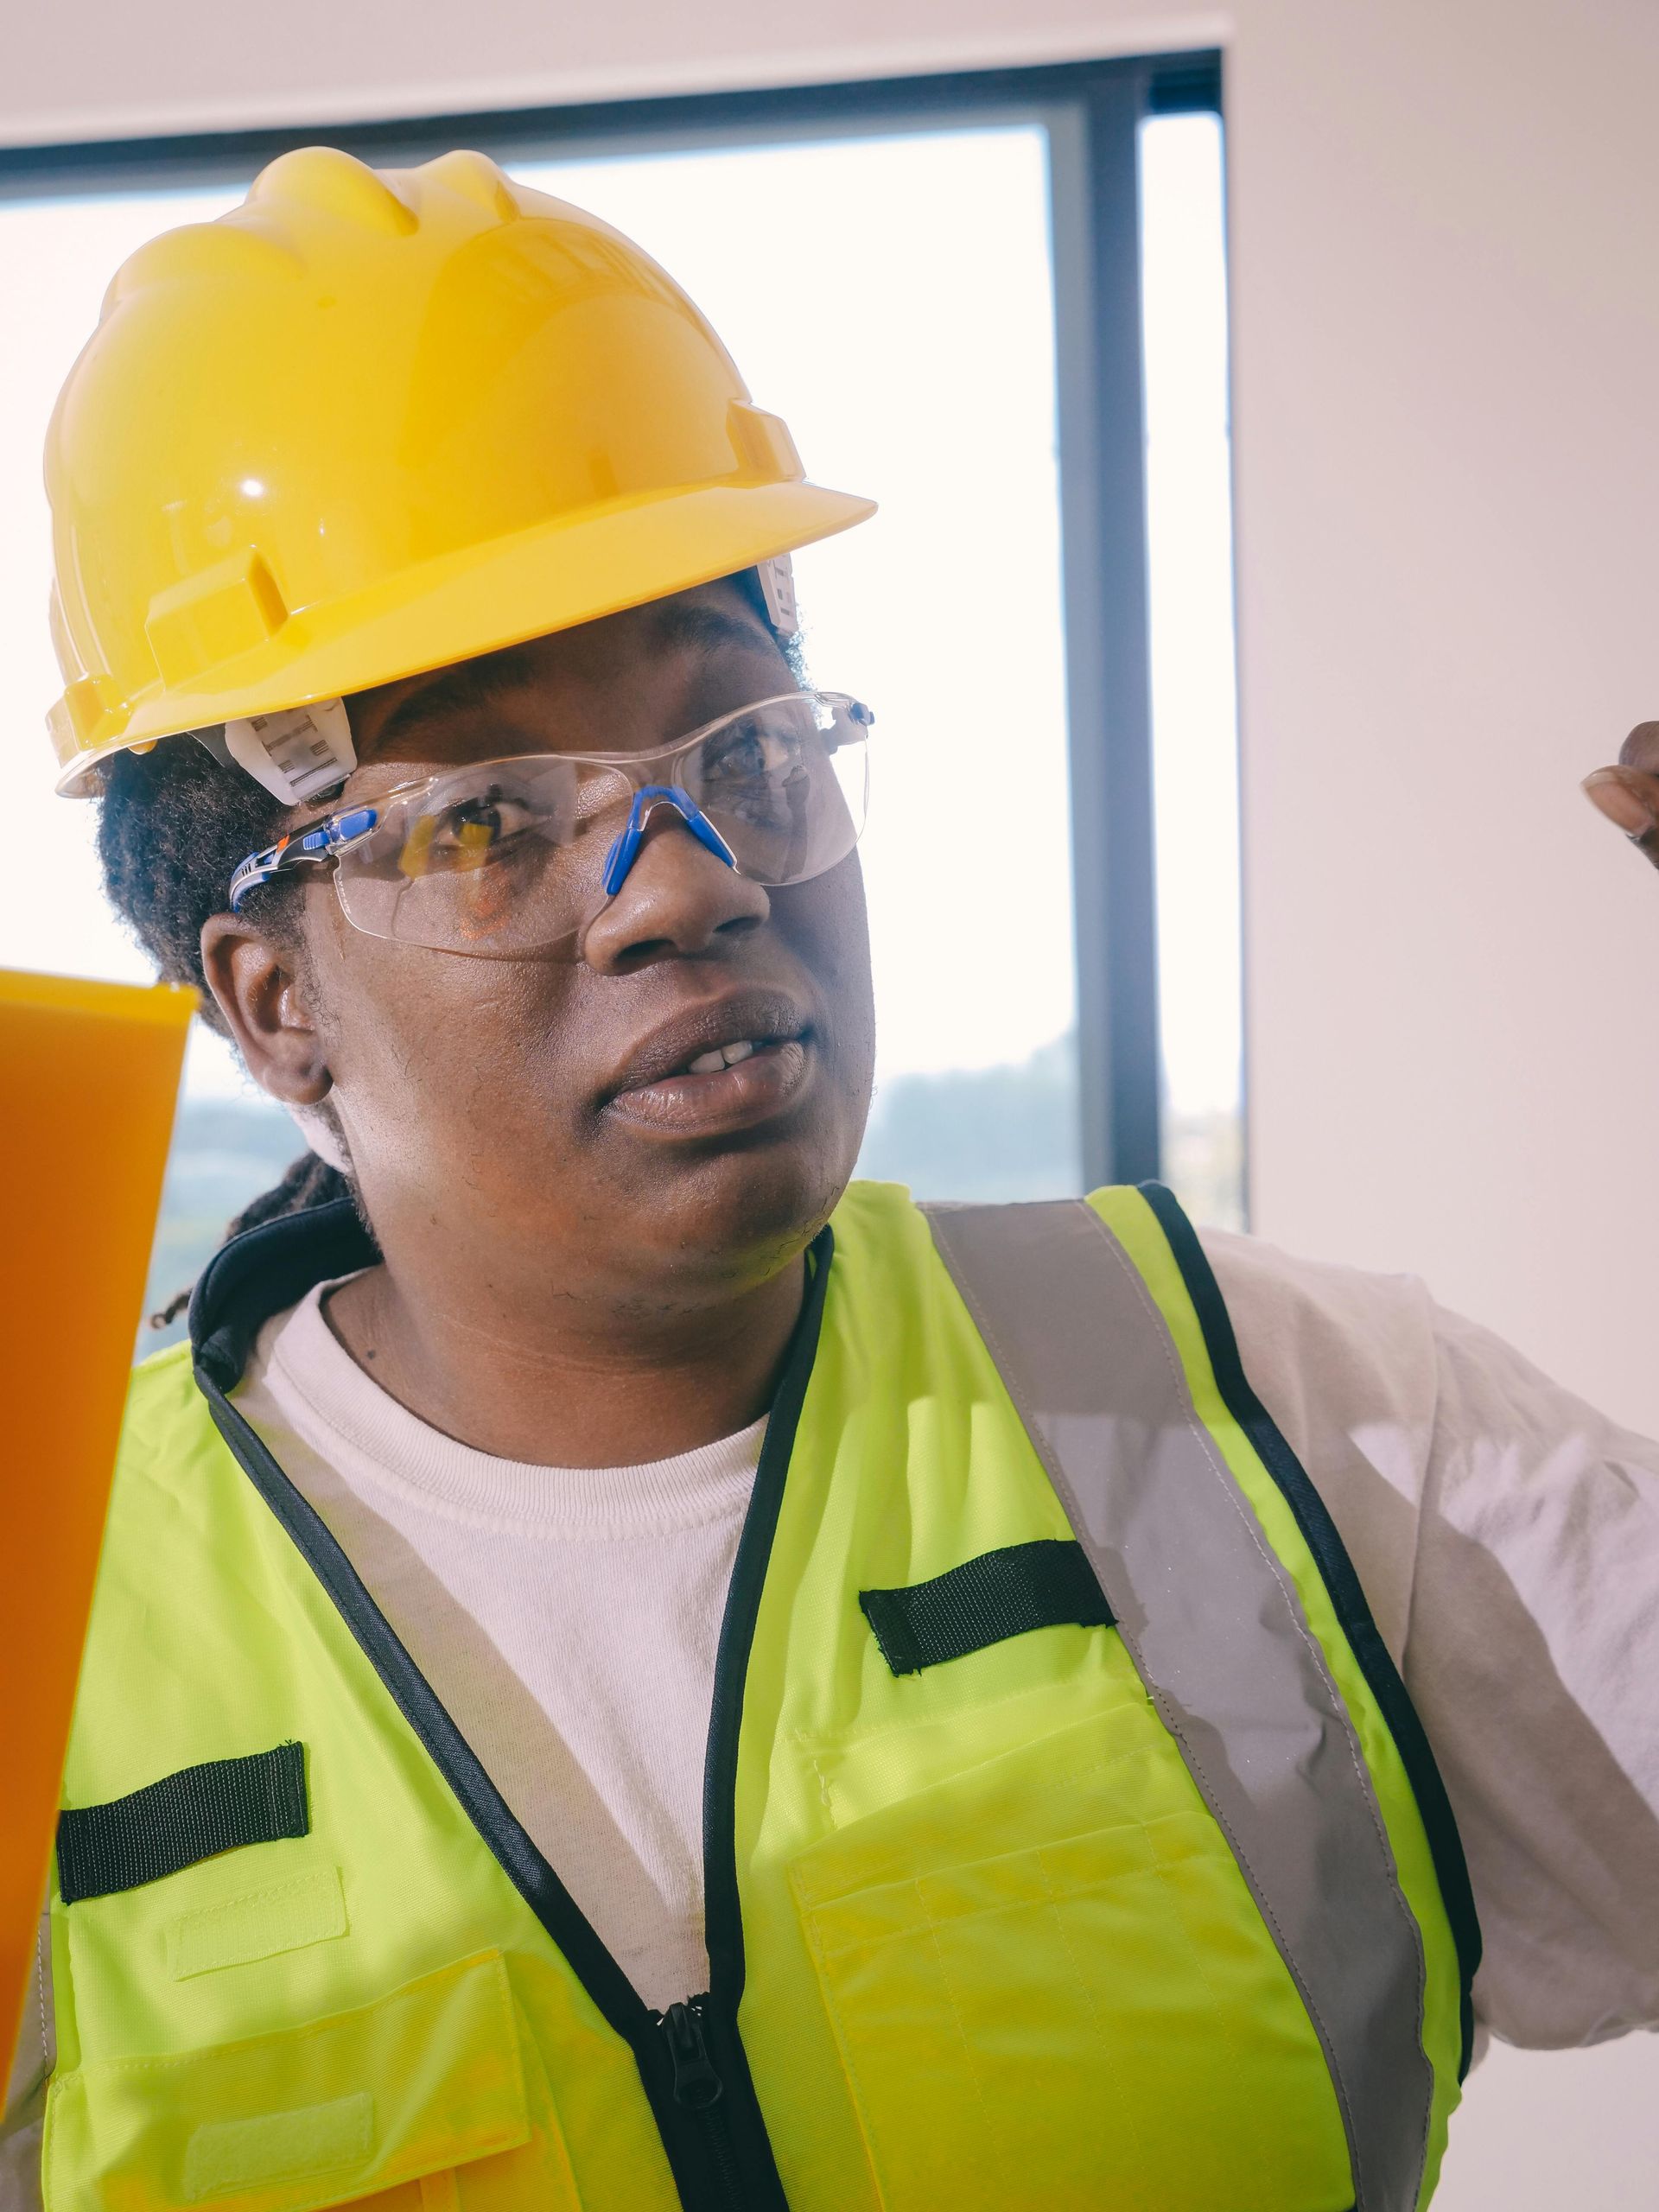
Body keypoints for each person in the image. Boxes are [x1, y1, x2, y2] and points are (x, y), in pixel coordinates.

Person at [4, 145, 1656, 2212]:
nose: (689, 878)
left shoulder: (1270, 1414)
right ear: (269, 1000)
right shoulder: (46, 1640)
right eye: (492, 815)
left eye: (746, 746)